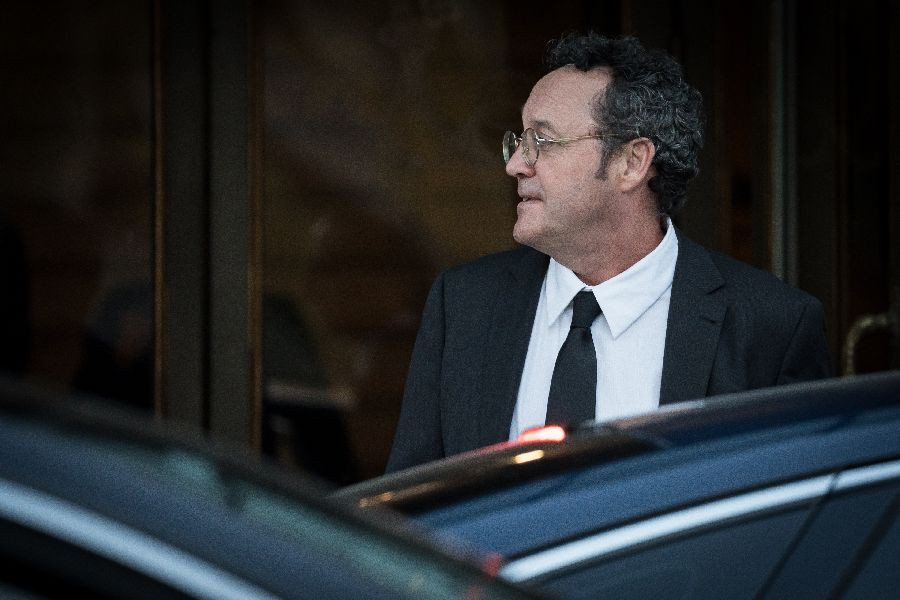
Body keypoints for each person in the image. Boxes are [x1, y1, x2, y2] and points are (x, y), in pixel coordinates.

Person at [386, 32, 831, 472]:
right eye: (519, 141)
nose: (516, 164)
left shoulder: (772, 327)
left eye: (542, 142)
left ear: (631, 162)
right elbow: (410, 502)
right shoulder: (464, 305)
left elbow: (795, 507)